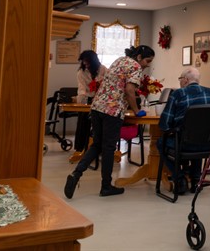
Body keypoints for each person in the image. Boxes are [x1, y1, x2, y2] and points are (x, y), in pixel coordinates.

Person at [64, 45, 155, 199]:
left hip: (97, 106)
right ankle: (106, 186)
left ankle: (76, 173)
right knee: (108, 148)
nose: (148, 64)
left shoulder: (119, 60)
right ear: (139, 57)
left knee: (97, 144)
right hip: (112, 111)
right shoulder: (136, 67)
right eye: (148, 60)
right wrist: (136, 110)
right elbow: (129, 91)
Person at [158, 66, 210, 194]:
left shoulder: (178, 94)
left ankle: (180, 178)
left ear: (185, 80)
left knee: (160, 142)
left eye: (180, 79)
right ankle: (196, 179)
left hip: (184, 145)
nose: (180, 81)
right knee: (198, 135)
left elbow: (165, 124)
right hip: (208, 145)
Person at [73, 50, 108, 153]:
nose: (85, 64)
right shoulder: (81, 72)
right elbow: (81, 88)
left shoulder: (103, 69)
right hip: (87, 99)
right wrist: (81, 100)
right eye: (84, 62)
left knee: (101, 124)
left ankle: (100, 148)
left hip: (102, 100)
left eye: (88, 62)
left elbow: (108, 84)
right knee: (83, 122)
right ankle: (80, 148)